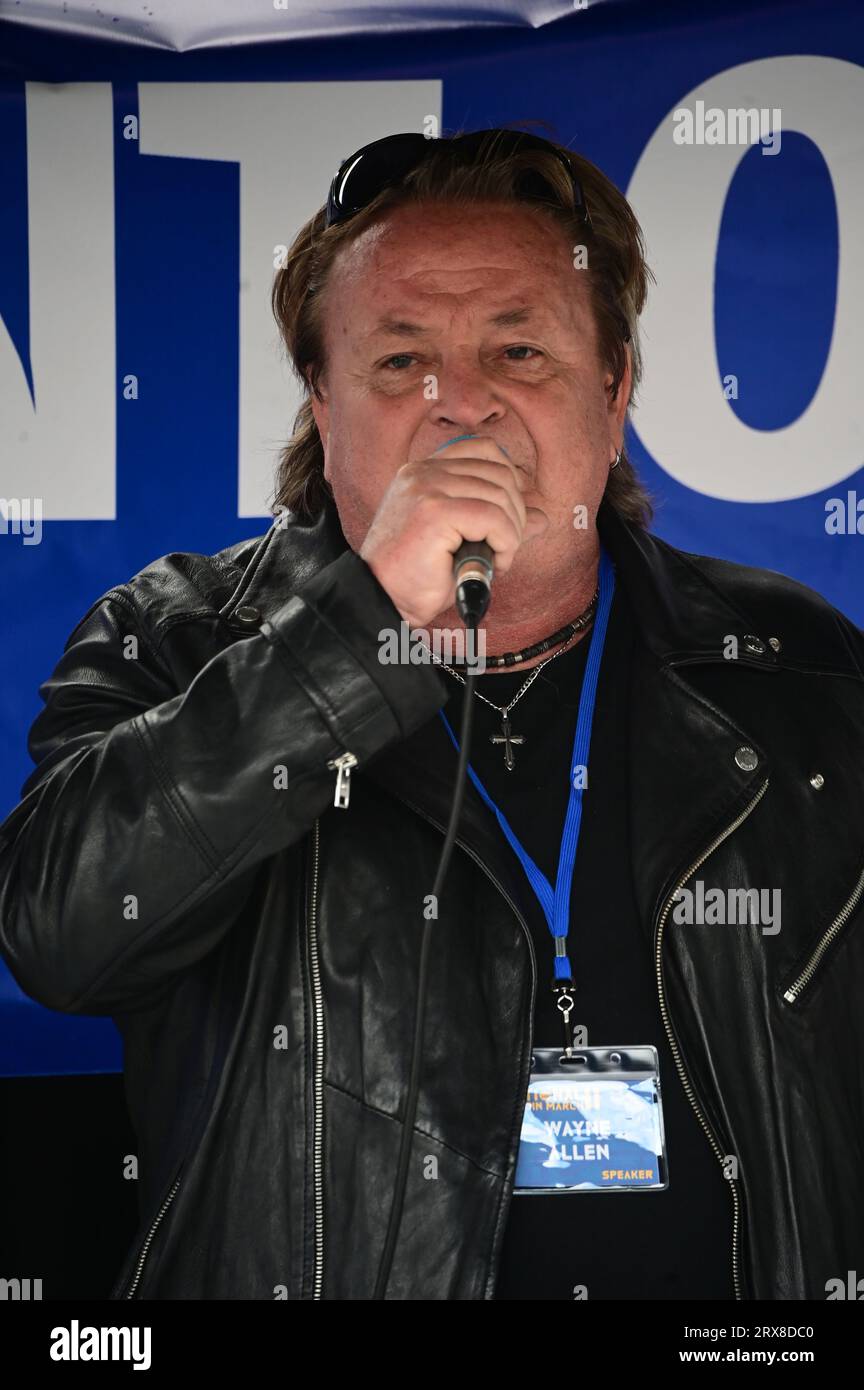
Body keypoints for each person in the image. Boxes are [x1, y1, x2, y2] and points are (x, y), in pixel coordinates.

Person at [1, 128, 862, 1301]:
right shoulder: (175, 640)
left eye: (519, 348)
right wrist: (363, 626)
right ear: (321, 396)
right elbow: (59, 938)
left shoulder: (796, 663)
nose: (462, 407)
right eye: (400, 363)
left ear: (613, 395)